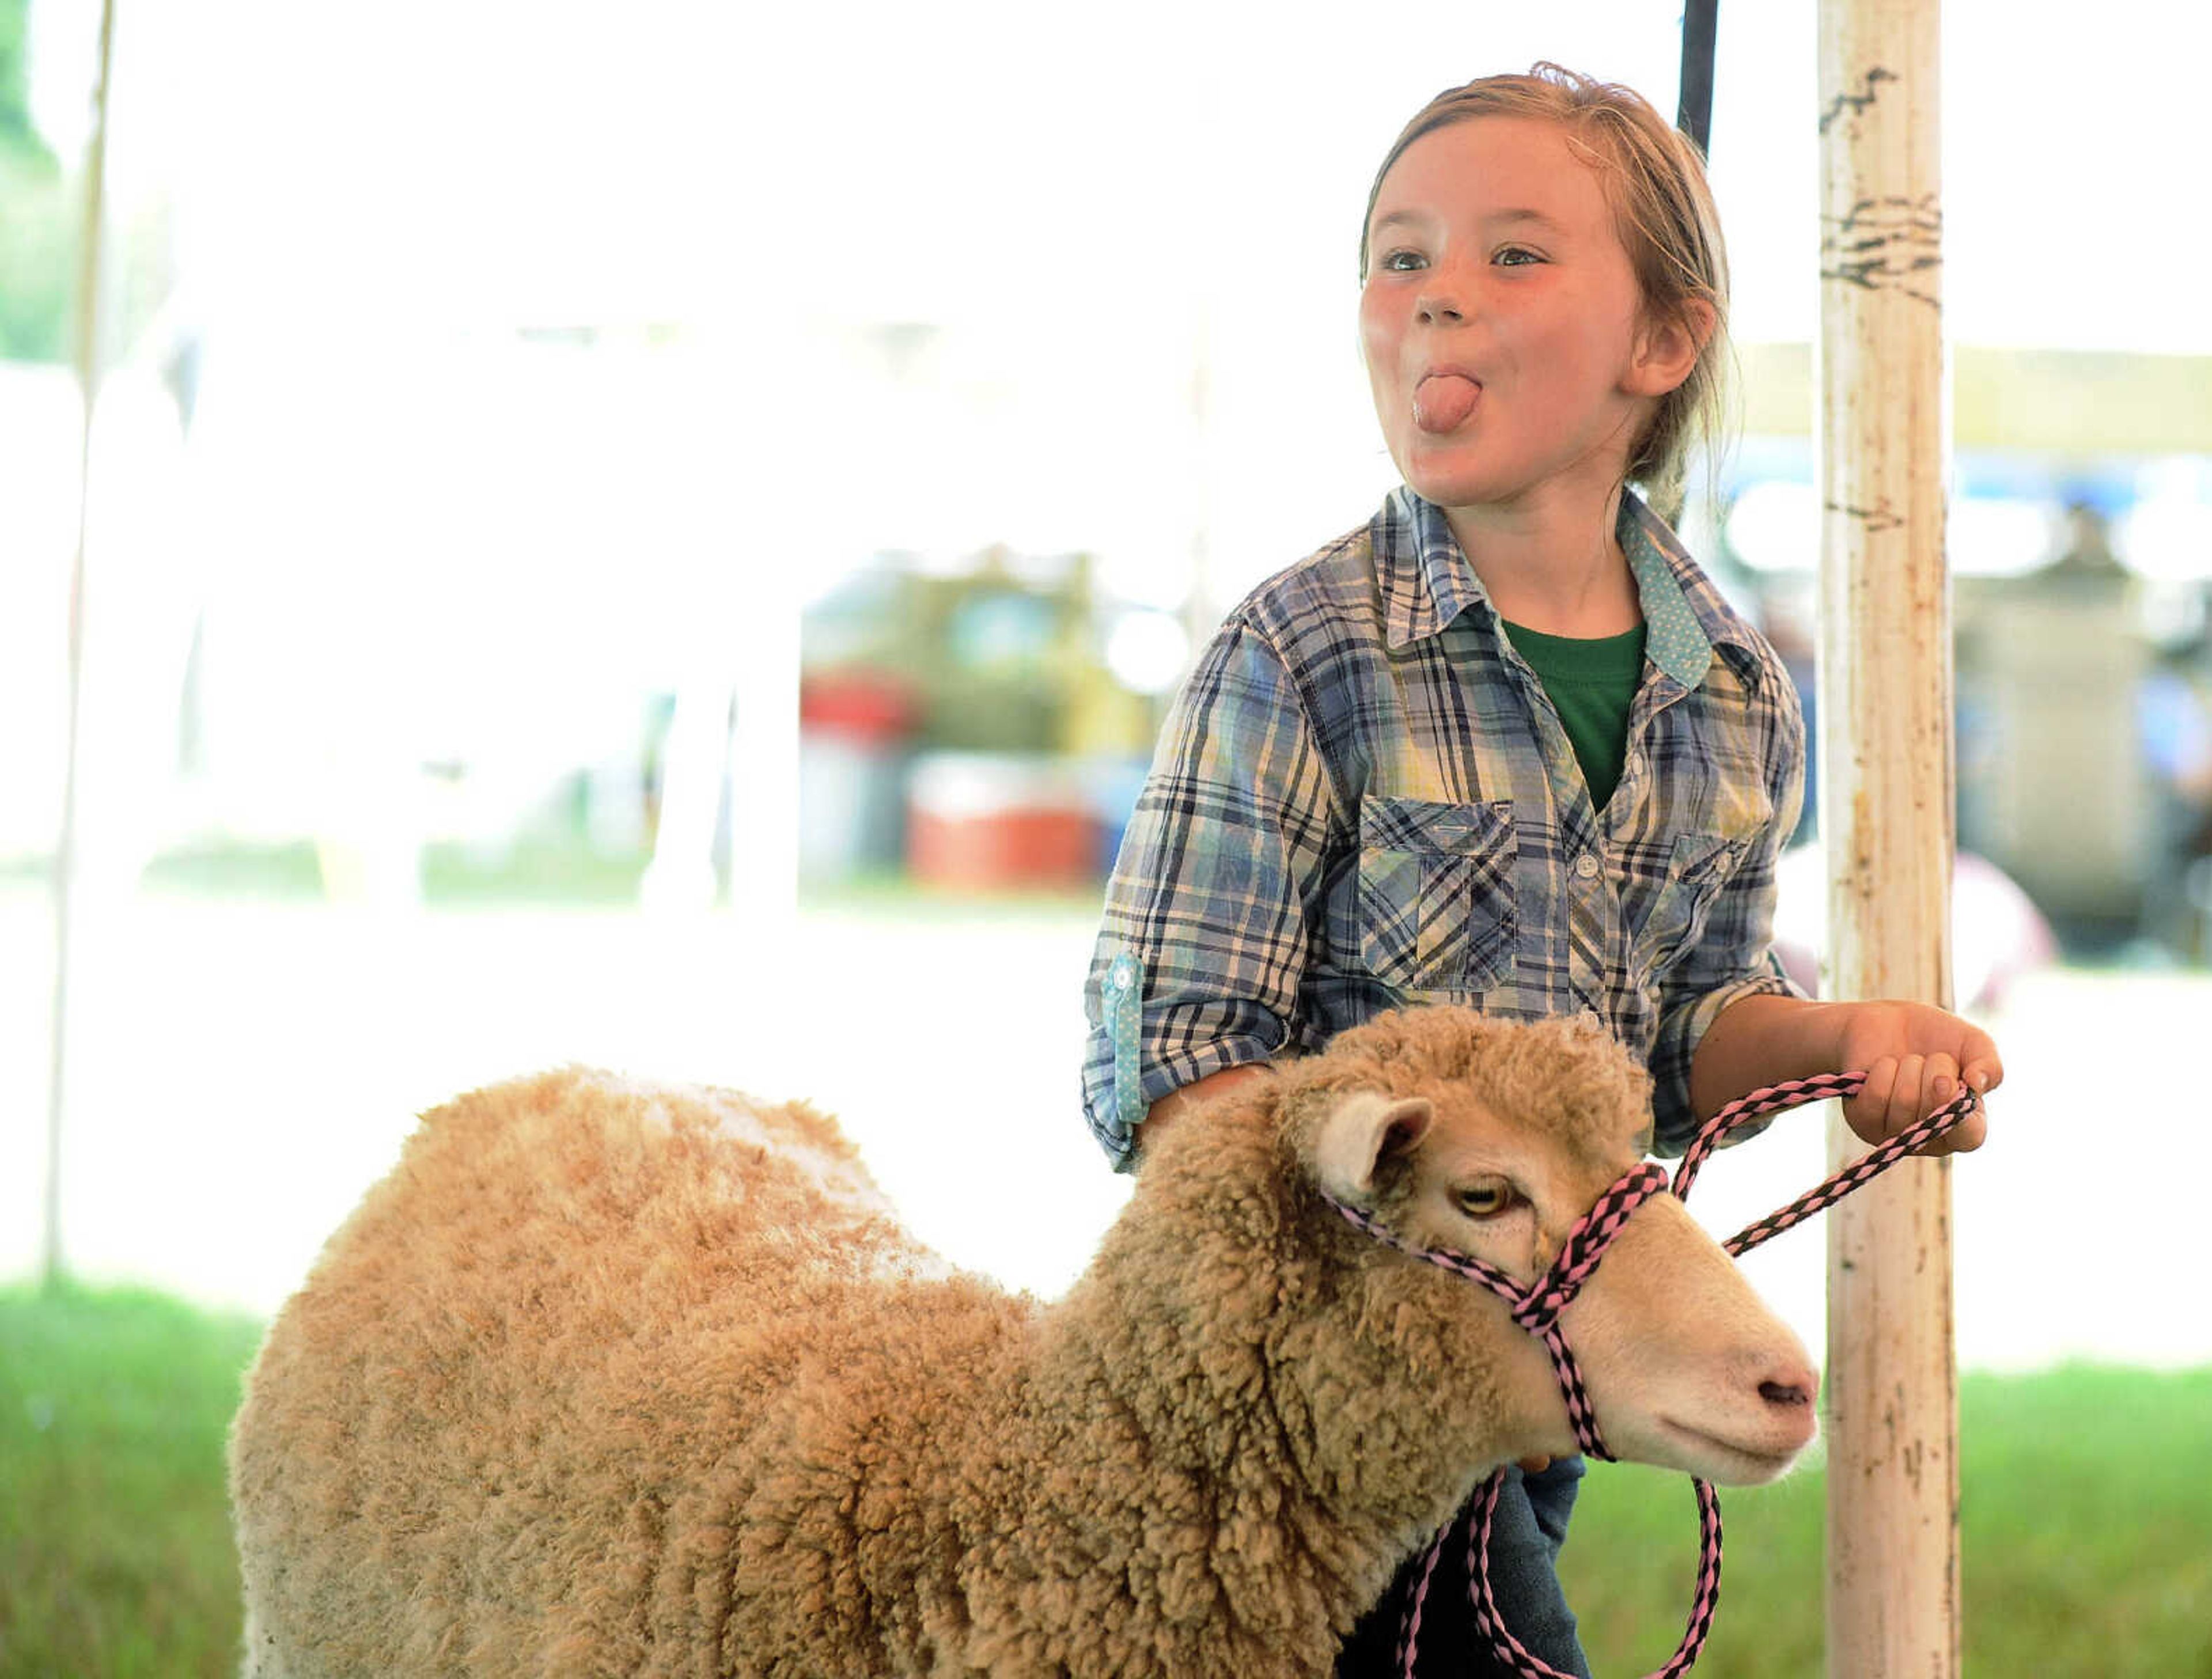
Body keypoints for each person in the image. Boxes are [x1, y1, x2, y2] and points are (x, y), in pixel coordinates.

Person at [1078, 63, 2004, 1678]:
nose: (1437, 296)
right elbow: (1177, 1065)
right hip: (1314, 1407)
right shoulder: (1300, 654)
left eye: (1512, 255)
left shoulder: (1730, 685)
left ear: (1661, 342)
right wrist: (1395, 1226)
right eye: (1399, 254)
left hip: (1540, 1378)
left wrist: (1843, 1044)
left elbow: (1684, 1026)